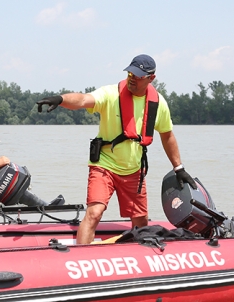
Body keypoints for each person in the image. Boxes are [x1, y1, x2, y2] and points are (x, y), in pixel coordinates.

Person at [36, 54, 197, 244]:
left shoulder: (158, 103)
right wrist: (61, 99)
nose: (132, 78)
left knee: (141, 222)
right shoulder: (111, 94)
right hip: (104, 166)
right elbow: (82, 100)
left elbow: (167, 135)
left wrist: (179, 168)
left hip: (134, 170)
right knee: (94, 213)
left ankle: (138, 259)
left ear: (151, 78)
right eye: (130, 73)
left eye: (137, 76)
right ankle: (80, 259)